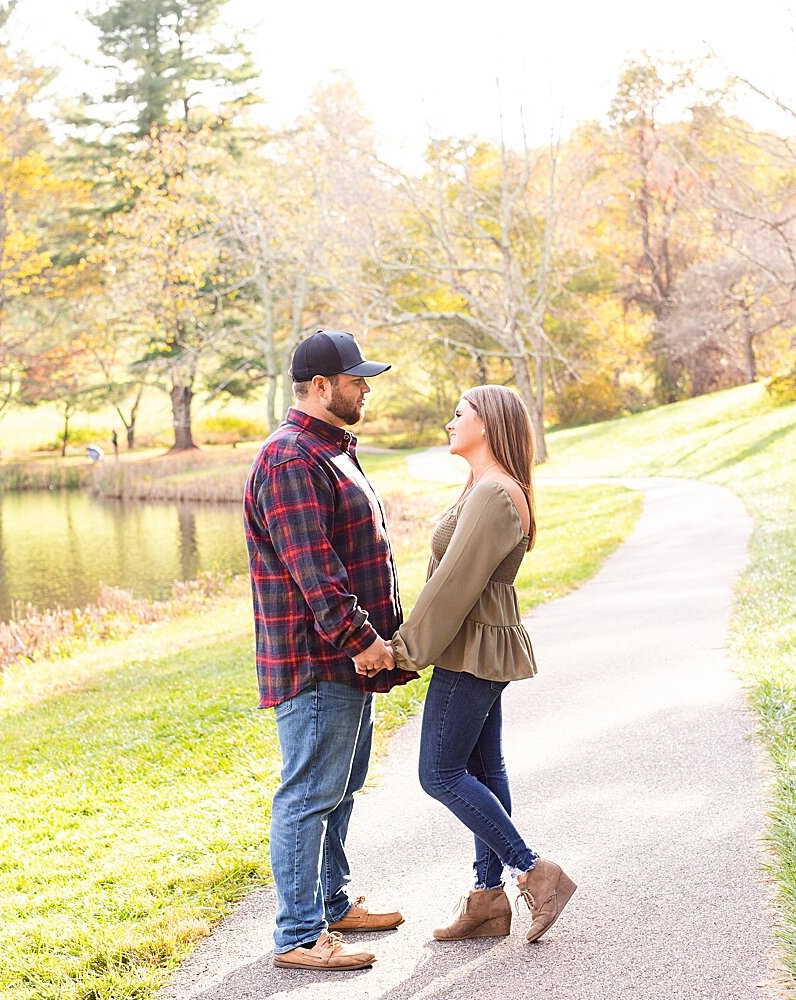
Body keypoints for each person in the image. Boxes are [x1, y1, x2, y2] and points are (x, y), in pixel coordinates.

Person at [243, 329, 415, 971]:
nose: (365, 388)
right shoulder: (291, 459)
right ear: (321, 387)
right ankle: (296, 936)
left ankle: (333, 906)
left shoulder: (332, 450)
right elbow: (315, 571)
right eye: (355, 379)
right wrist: (362, 640)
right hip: (318, 660)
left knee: (340, 789)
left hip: (348, 661)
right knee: (309, 792)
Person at [383, 384, 577, 944]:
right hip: (476, 645)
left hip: (469, 648)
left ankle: (534, 871)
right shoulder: (485, 485)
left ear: (487, 424)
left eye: (459, 414)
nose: (449, 422)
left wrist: (402, 650)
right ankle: (488, 901)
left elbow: (452, 586)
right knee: (485, 771)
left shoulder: (494, 493)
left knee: (439, 774)